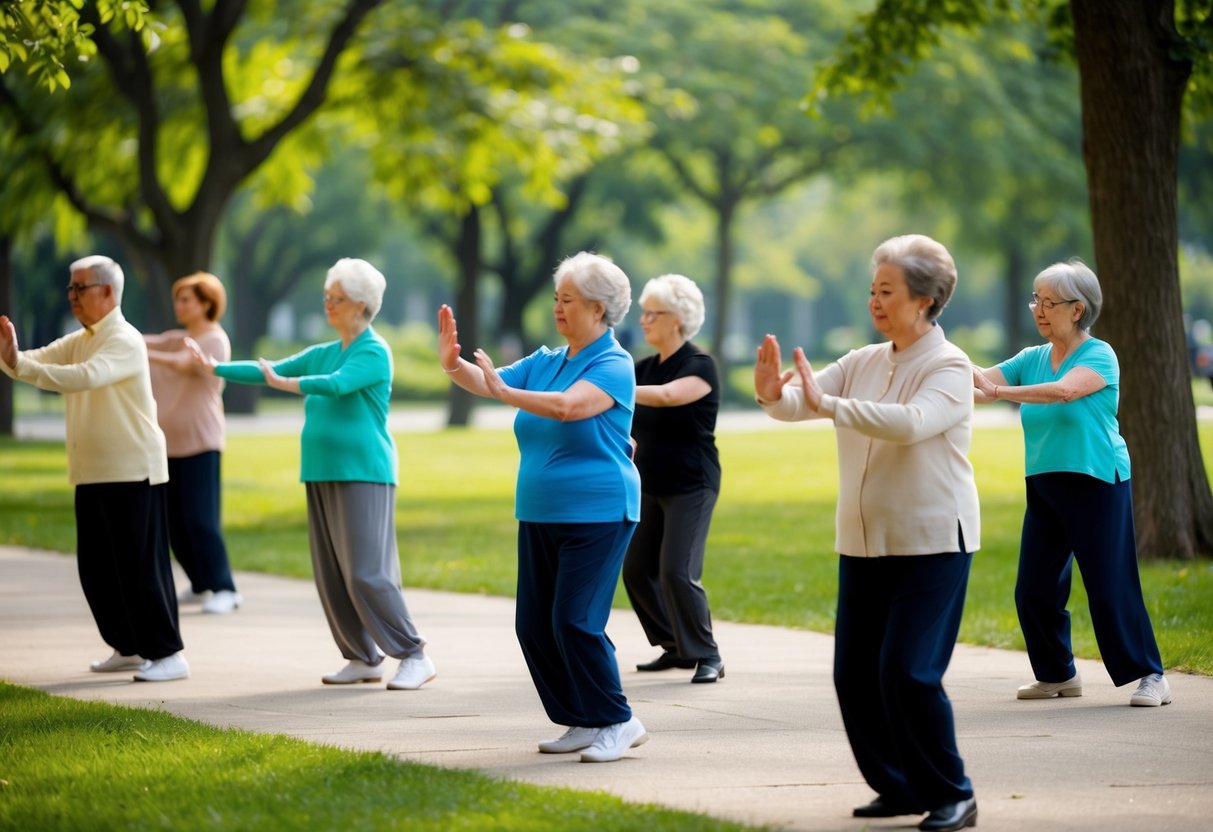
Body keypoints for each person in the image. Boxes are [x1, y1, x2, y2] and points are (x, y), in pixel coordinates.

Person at [754, 235, 979, 832]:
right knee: (854, 675)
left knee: (908, 671)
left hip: (932, 544)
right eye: (872, 290)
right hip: (863, 543)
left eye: (888, 291)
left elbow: (913, 424)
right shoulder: (862, 361)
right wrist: (773, 392)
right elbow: (802, 401)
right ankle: (900, 786)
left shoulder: (950, 366)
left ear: (927, 299)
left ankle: (953, 792)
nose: (875, 302)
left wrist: (828, 404)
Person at [437, 251, 647, 764]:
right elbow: (489, 381)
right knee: (533, 625)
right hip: (539, 512)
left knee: (575, 620)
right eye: (557, 298)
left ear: (598, 309)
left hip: (599, 512)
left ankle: (619, 720)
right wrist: (452, 364)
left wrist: (507, 391)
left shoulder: (613, 364)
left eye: (568, 299)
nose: (558, 307)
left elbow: (568, 407)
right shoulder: (548, 361)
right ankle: (584, 716)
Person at [192, 258, 435, 691]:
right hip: (320, 470)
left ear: (360, 305)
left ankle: (413, 653)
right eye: (326, 296)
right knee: (331, 572)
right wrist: (214, 368)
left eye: (335, 298)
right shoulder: (326, 350)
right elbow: (272, 369)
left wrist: (289, 385)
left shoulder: (374, 351)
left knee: (366, 572)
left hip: (365, 472)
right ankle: (362, 657)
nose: (327, 304)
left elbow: (337, 384)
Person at [972, 260, 1170, 708]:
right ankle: (1058, 674)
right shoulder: (1031, 358)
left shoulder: (1099, 355)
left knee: (1109, 585)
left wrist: (999, 393)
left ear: (1077, 309)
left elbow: (1062, 391)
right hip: (1045, 483)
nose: (1038, 310)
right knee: (1034, 588)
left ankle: (1151, 674)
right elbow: (978, 385)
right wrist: (935, 358)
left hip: (1097, 480)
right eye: (1035, 301)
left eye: (1049, 303)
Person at [0, 255, 188, 682]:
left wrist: (18, 363)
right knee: (98, 572)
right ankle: (128, 645)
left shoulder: (123, 339)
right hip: (93, 470)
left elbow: (81, 377)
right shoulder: (81, 337)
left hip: (133, 469)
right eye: (70, 288)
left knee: (142, 568)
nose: (71, 296)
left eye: (78, 288)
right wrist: (10, 356)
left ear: (106, 291)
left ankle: (168, 653)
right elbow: (32, 360)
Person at [622, 274, 724, 683]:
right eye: (643, 312)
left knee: (677, 571)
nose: (643, 320)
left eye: (653, 313)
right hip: (650, 482)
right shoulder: (643, 367)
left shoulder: (700, 365)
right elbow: (628, 423)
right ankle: (675, 646)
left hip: (692, 484)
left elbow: (667, 396)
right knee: (636, 570)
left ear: (677, 319)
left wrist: (615, 385)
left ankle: (708, 654)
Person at [145, 272, 242, 615]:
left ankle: (225, 587)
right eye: (178, 299)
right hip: (168, 445)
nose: (179, 306)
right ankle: (201, 584)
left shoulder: (214, 340)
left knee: (201, 520)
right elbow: (151, 341)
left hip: (202, 443)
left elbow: (184, 364)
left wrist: (142, 350)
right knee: (174, 523)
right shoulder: (178, 338)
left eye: (187, 299)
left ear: (206, 304)